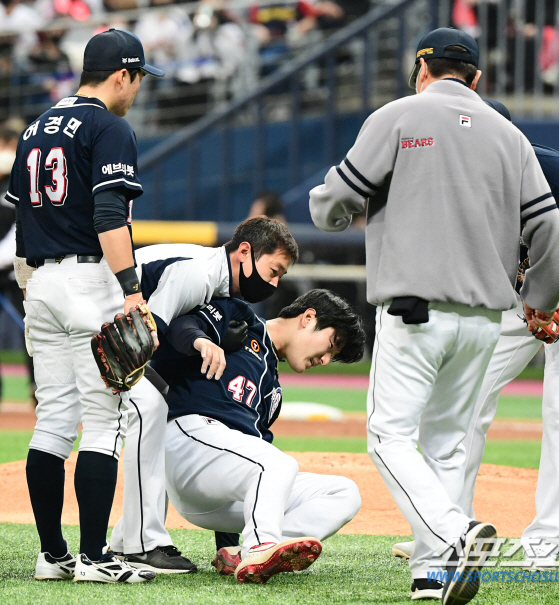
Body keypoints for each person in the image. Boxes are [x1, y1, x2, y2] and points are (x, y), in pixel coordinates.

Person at [309, 27, 559, 604]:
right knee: (447, 446)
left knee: (387, 437)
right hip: (484, 322)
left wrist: (330, 213)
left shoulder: (397, 115)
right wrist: (542, 302)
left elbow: (334, 203)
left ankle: (455, 532)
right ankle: (431, 580)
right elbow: (550, 229)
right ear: (476, 78)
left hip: (414, 313)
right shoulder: (510, 136)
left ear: (421, 68)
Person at [391, 100, 559, 570]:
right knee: (468, 402)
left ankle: (545, 542)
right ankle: (453, 531)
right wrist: (527, 306)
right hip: (520, 296)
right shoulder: (457, 183)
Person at [7, 29, 164, 584]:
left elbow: (20, 216)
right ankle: (96, 559)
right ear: (122, 74)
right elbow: (107, 217)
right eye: (139, 77)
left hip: (39, 281)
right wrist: (131, 291)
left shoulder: (34, 126)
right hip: (88, 279)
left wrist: (32, 289)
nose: (139, 89)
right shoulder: (109, 126)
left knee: (52, 422)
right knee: (103, 424)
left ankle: (52, 555)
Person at [109, 216, 299, 573]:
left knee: (151, 409)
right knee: (149, 408)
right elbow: (147, 334)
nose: (274, 283)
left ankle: (126, 539)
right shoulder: (199, 273)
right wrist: (199, 340)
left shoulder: (214, 276)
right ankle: (142, 543)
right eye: (274, 270)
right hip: (98, 317)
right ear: (245, 252)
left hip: (103, 317)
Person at [161, 288, 365, 584]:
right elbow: (180, 326)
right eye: (332, 345)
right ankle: (260, 547)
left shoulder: (273, 392)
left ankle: (244, 553)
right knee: (278, 463)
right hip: (188, 440)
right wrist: (202, 339)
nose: (325, 360)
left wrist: (223, 548)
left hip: (217, 490)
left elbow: (245, 462)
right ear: (308, 318)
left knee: (344, 492)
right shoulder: (242, 319)